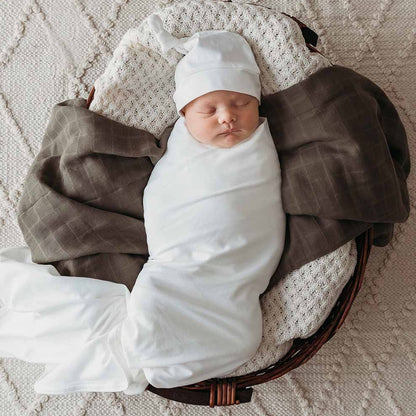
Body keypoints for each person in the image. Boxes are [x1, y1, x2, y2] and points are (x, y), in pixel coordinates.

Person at [0, 14, 286, 395]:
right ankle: (143, 345)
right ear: (184, 115)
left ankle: (147, 349)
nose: (228, 117)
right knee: (158, 312)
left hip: (237, 276)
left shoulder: (260, 150)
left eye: (241, 104)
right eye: (210, 110)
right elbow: (164, 198)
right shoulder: (182, 151)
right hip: (180, 268)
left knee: (244, 338)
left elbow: (261, 207)